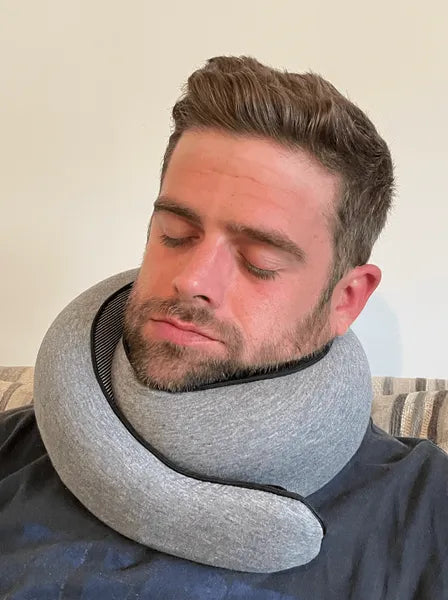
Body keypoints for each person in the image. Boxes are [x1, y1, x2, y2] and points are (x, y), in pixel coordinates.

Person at [1, 56, 447, 599]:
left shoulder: (427, 511)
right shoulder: (14, 447)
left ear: (346, 299)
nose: (191, 280)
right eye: (175, 233)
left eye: (259, 260)